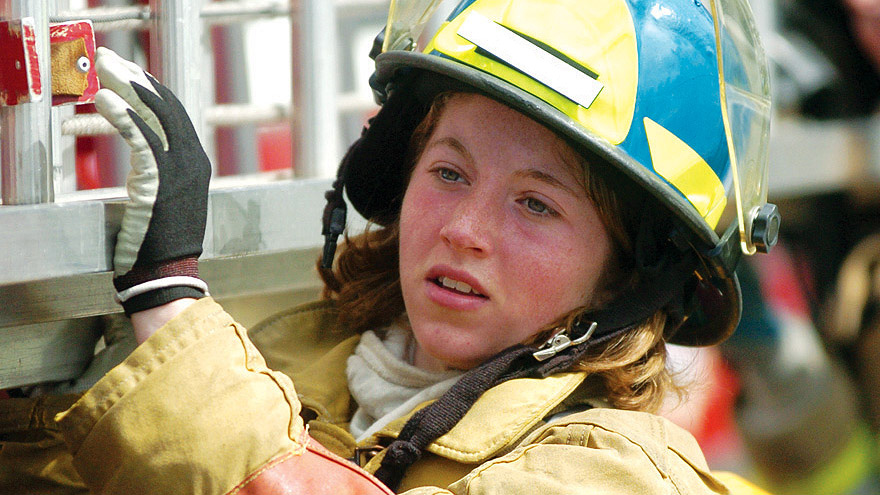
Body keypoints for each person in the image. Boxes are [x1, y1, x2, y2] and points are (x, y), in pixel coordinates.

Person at [1, 0, 779, 493]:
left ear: (628, 277)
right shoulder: (285, 362)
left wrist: (167, 308)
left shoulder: (621, 471)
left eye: (536, 203)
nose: (464, 228)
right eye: (448, 170)